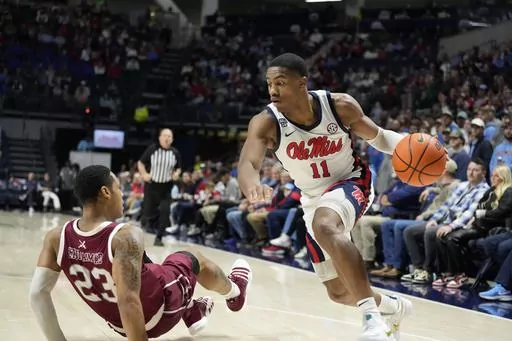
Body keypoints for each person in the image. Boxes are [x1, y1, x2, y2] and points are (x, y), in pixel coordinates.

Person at [237, 52, 412, 341]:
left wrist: (410, 143)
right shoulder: (266, 121)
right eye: (269, 83)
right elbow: (248, 163)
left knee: (325, 224)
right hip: (312, 199)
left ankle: (372, 322)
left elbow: (379, 137)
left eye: (280, 82)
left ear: (302, 83)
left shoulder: (339, 106)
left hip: (352, 181)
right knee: (339, 292)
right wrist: (251, 183)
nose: (273, 90)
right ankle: (393, 307)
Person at [29, 165, 252, 341]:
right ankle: (235, 293)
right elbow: (128, 301)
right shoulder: (125, 236)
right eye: (118, 188)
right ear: (105, 192)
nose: (123, 194)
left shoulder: (57, 237)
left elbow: (37, 294)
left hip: (120, 326)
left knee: (150, 266)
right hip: (161, 312)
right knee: (192, 258)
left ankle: (193, 309)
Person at [138, 128, 181, 246]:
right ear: (160, 138)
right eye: (165, 136)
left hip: (166, 187)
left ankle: (159, 237)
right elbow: (141, 162)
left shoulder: (175, 153)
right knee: (148, 212)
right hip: (152, 186)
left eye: (169, 136)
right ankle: (145, 221)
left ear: (172, 139)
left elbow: (178, 167)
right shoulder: (152, 149)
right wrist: (144, 174)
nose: (167, 138)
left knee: (165, 211)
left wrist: (176, 174)